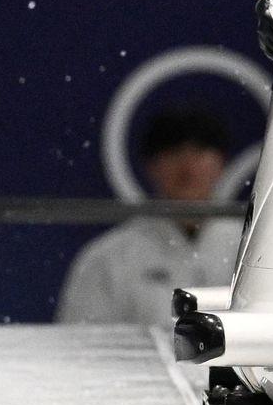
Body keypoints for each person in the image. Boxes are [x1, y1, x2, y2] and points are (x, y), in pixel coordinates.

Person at [56, 110, 241, 325]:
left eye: (200, 152)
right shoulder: (109, 258)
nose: (188, 167)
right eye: (174, 152)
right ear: (151, 166)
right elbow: (83, 347)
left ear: (222, 163)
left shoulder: (254, 249)